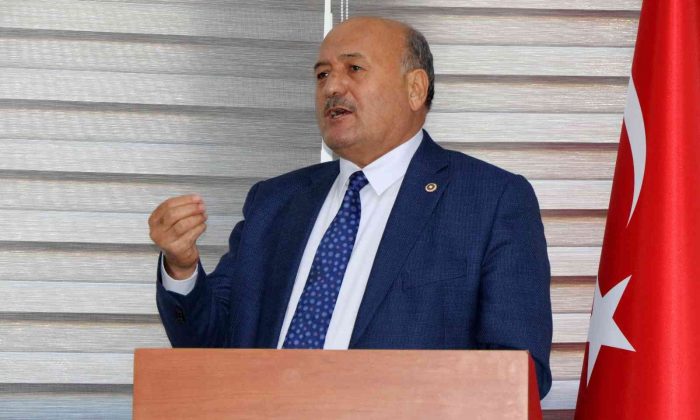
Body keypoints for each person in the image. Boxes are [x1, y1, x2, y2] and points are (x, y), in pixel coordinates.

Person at [150, 17, 553, 397]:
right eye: (322, 74)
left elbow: (518, 374)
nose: (332, 87)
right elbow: (210, 345)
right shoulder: (274, 203)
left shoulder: (490, 200)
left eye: (354, 69)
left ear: (415, 89)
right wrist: (182, 269)